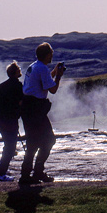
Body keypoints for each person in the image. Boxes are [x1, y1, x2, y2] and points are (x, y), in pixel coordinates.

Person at [19, 42, 65, 186]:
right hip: (35, 108)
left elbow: (43, 82)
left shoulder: (34, 66)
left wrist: (53, 72)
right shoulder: (42, 68)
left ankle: (27, 173)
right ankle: (36, 171)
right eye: (51, 53)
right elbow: (52, 90)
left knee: (33, 141)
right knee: (48, 139)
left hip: (28, 107)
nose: (52, 55)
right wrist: (58, 76)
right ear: (46, 54)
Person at [0, 62, 23, 182]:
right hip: (11, 119)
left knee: (8, 145)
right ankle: (1, 173)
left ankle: (2, 172)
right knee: (10, 146)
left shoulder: (2, 85)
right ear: (15, 72)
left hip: (1, 120)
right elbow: (21, 102)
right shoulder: (18, 85)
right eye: (19, 69)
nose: (20, 71)